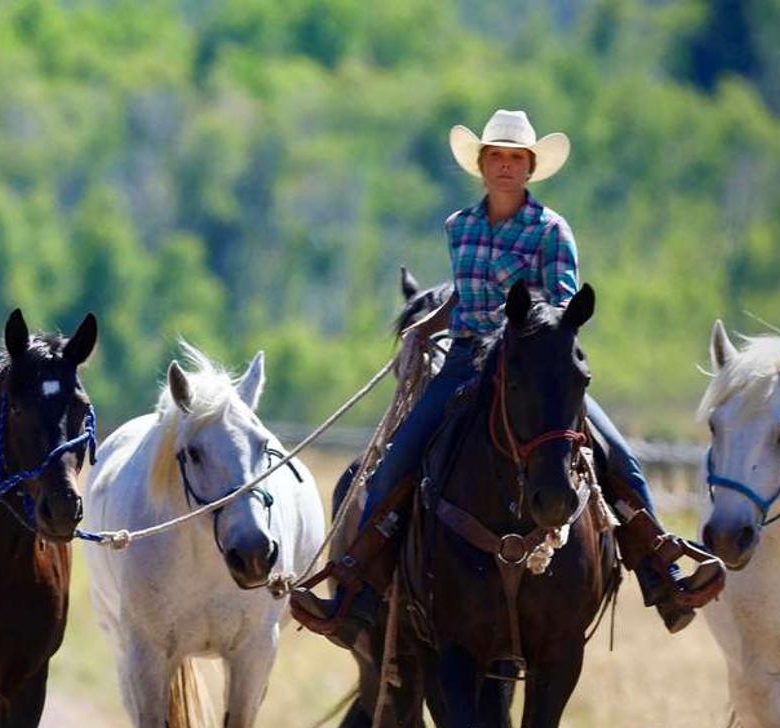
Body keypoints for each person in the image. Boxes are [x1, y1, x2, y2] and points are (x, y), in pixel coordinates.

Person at [289, 110, 723, 647]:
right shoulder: (460, 227)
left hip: (534, 367)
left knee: (617, 456)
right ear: (481, 164)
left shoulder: (550, 231)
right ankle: (357, 596)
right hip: (467, 360)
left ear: (531, 167)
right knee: (397, 458)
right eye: (496, 156)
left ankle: (663, 576)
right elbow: (465, 298)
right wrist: (424, 327)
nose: (505, 166)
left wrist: (521, 331)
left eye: (516, 158)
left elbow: (561, 306)